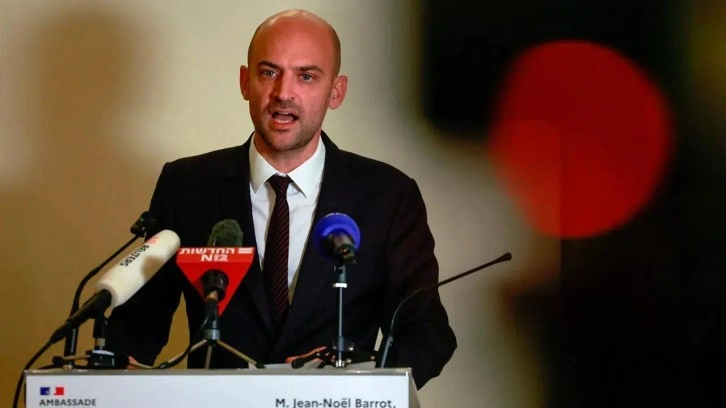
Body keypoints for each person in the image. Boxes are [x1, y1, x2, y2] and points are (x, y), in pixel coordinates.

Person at [106, 9, 456, 388]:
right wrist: (112, 379)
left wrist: (359, 375)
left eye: (306, 76)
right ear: (245, 82)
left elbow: (427, 333)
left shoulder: (387, 196)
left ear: (336, 92)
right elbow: (137, 325)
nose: (283, 93)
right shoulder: (188, 186)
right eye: (269, 72)